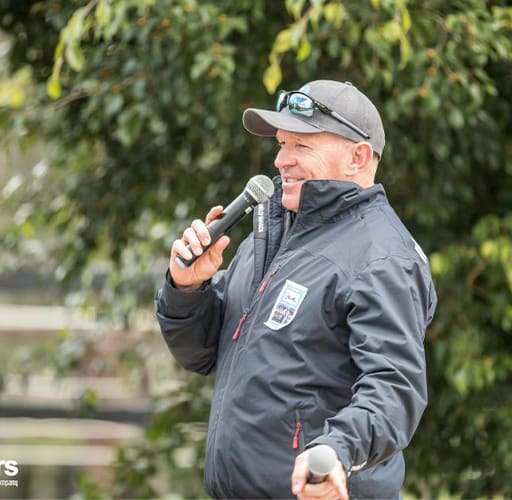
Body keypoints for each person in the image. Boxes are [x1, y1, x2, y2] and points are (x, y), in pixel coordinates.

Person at [154, 79, 437, 499]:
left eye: (301, 146)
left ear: (358, 157)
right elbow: (201, 354)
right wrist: (187, 289)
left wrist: (336, 451)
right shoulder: (271, 236)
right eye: (282, 144)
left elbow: (393, 390)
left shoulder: (383, 258)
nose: (281, 160)